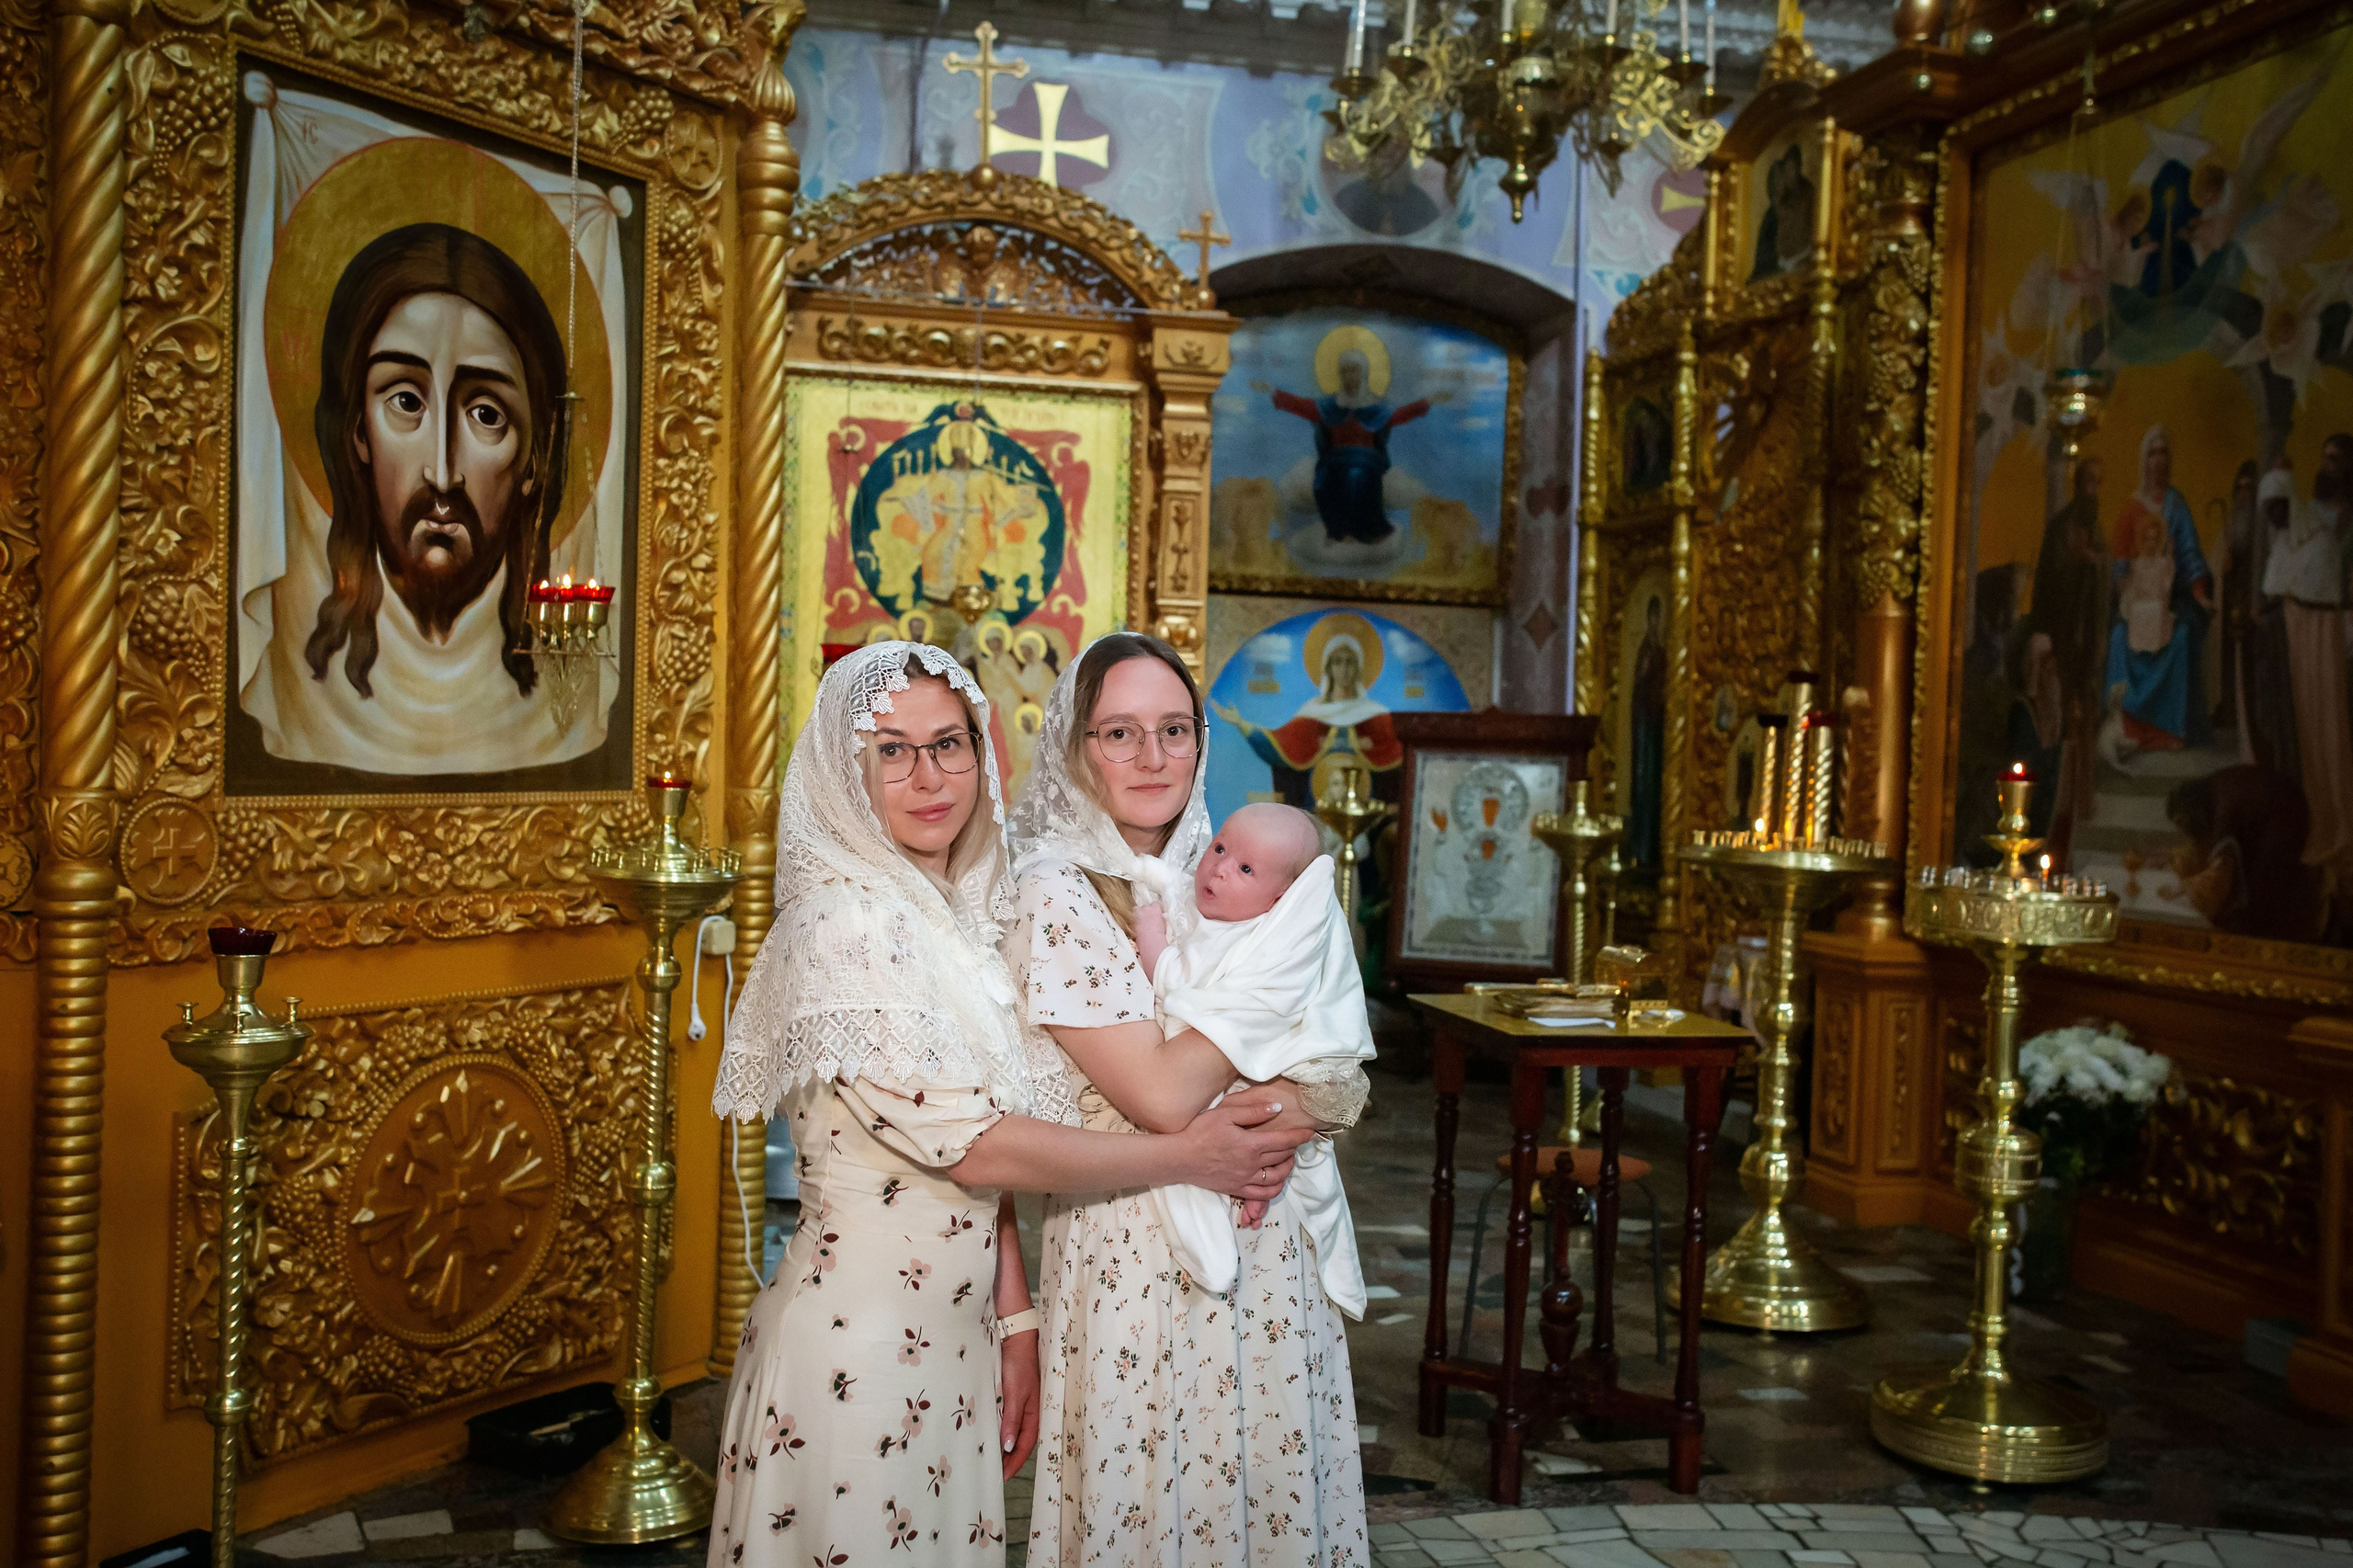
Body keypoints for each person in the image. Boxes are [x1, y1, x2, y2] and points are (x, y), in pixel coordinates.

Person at [707, 642, 1311, 1567]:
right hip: (855, 1356)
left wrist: (1016, 1325)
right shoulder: (844, 922)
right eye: (892, 749)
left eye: (948, 744)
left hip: (952, 1346)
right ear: (845, 767)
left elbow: (982, 1160)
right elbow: (975, 1146)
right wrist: (1186, 1155)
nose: (928, 775)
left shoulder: (949, 914)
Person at [1006, 632, 1370, 1567]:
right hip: (1138, 1251)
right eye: (1119, 733)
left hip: (1273, 1245)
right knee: (1155, 1503)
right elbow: (1165, 1096)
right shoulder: (1058, 893)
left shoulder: (1233, 860)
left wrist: (1318, 1092)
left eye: (1174, 729)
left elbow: (1336, 1036)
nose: (1152, 757)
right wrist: (1299, 1090)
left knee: (1265, 1496)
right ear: (1076, 748)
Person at [1127, 802, 1376, 1313]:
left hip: (1265, 1073)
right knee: (1247, 1145)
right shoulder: (1213, 914)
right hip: (1230, 1082)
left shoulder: (1259, 937)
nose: (1219, 868)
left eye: (1245, 869)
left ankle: (1251, 1201)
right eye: (1220, 849)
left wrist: (1149, 930)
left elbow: (1177, 980)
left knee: (1270, 1147)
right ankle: (1248, 1202)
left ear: (1280, 899)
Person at [2261, 463, 2353, 872]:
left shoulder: (2321, 539)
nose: (2276, 517)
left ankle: (2334, 826)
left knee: (2324, 733)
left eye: (2279, 507)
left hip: (2317, 648)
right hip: (2290, 655)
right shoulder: (2283, 544)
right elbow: (2274, 593)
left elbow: (2319, 596)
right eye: (2269, 510)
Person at [1256, 347, 1442, 545]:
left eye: (1355, 370)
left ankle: (1368, 531)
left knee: (1357, 475)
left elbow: (1399, 416)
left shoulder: (1375, 407)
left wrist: (1427, 401)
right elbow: (1302, 406)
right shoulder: (1329, 406)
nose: (1350, 376)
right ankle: (1338, 531)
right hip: (1334, 460)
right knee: (1323, 481)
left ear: (1363, 374)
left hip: (1366, 460)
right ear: (1340, 375)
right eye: (1346, 371)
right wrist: (1273, 392)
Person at [2104, 425, 2213, 753]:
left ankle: (2168, 730)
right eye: (2152, 453)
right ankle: (2128, 726)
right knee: (2118, 639)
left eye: (2163, 452)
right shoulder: (2131, 509)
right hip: (2136, 602)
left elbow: (2191, 556)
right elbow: (2120, 562)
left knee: (2180, 639)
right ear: (2144, 460)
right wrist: (2128, 589)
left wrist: (2199, 594)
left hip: (2171, 601)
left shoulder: (2177, 506)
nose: (2158, 460)